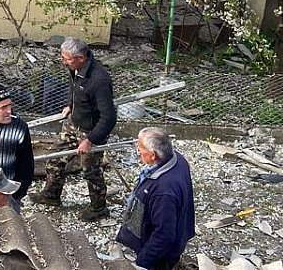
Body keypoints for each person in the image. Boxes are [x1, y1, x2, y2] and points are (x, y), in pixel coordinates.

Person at [29, 37, 117, 220]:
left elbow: (109, 118)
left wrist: (90, 139)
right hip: (73, 123)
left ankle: (99, 208)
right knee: (54, 159)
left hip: (91, 131)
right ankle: (51, 195)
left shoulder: (99, 80)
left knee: (91, 172)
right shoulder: (75, 69)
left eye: (66, 59)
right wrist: (70, 105)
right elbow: (74, 88)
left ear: (81, 58)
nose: (63, 62)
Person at [116, 127, 196, 270]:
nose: (138, 150)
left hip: (162, 254)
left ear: (153, 155)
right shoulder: (177, 159)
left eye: (140, 147)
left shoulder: (163, 192)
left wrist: (143, 261)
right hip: (179, 231)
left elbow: (163, 236)